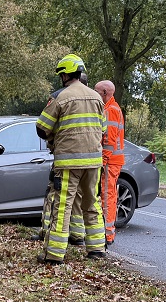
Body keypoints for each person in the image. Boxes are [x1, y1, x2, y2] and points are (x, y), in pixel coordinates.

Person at [35, 55, 107, 264]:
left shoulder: (62, 97)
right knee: (92, 203)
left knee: (62, 207)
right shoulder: (97, 98)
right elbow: (103, 129)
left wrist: (55, 134)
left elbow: (42, 127)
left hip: (69, 162)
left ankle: (54, 254)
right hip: (94, 162)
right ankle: (97, 249)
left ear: (65, 75)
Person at [30, 72, 88, 245]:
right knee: (81, 199)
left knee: (56, 197)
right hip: (90, 160)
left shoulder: (61, 97)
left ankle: (48, 232)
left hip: (66, 158)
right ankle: (78, 235)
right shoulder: (93, 99)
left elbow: (43, 127)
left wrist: (53, 140)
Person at [94, 80, 125, 246]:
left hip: (110, 162)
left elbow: (109, 140)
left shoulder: (110, 110)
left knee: (107, 198)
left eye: (97, 91)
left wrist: (103, 161)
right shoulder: (111, 108)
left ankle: (107, 235)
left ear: (105, 93)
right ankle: (107, 233)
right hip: (112, 161)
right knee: (109, 197)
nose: (95, 94)